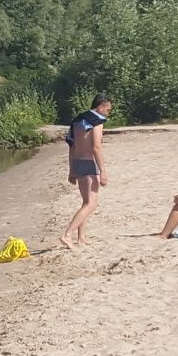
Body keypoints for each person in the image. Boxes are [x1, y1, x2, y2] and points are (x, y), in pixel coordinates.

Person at [62, 93, 113, 248]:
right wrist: (103, 171)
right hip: (89, 163)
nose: (108, 113)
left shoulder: (78, 119)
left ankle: (81, 237)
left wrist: (71, 170)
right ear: (101, 106)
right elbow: (96, 147)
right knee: (91, 204)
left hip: (77, 162)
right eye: (108, 110)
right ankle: (67, 234)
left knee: (85, 202)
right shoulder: (96, 121)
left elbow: (72, 146)